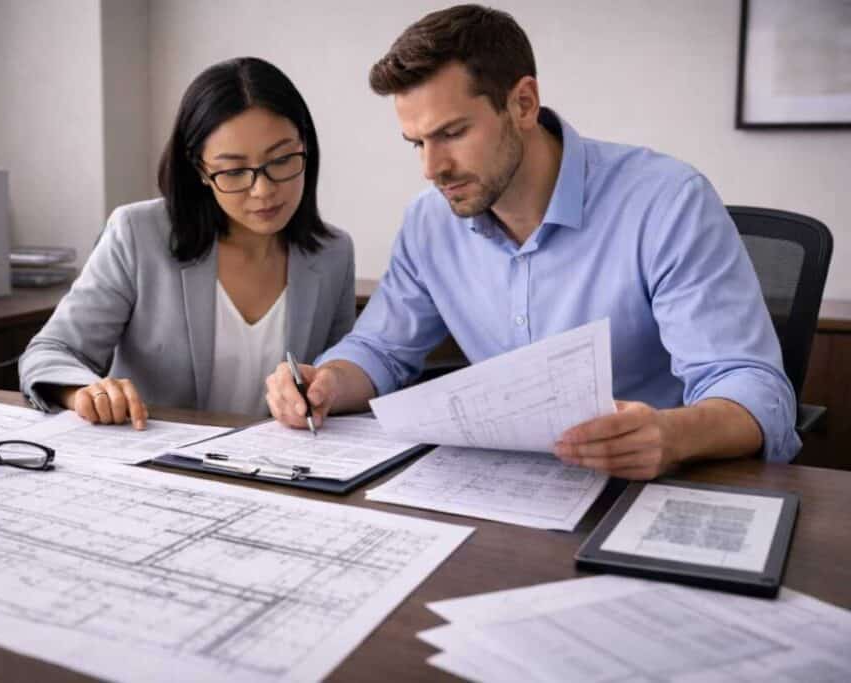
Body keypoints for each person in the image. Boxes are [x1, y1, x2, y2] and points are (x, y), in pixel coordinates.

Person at [266, 4, 799, 480]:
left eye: (452, 134)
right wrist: (327, 382)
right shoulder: (429, 222)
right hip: (503, 488)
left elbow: (753, 388)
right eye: (417, 143)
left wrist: (672, 435)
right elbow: (381, 348)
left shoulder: (666, 201)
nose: (432, 168)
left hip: (652, 487)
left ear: (523, 103)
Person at [19, 57, 356, 428]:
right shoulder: (137, 233)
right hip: (159, 465)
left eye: (281, 160)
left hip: (278, 471)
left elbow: (342, 373)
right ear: (200, 170)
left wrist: (324, 392)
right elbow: (51, 350)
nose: (263, 190)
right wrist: (85, 393)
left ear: (305, 147)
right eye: (233, 170)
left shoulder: (333, 254)